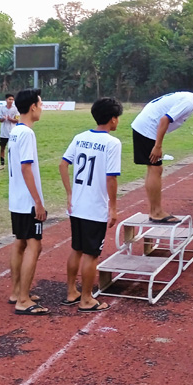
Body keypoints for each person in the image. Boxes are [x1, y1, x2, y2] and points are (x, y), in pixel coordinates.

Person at [59, 97, 122, 313]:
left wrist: (70, 193)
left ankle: (71, 292)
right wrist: (113, 208)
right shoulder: (112, 143)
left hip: (77, 205)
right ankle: (86, 299)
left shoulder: (80, 137)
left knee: (76, 249)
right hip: (95, 208)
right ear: (113, 119)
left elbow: (63, 164)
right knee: (92, 254)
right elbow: (111, 178)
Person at [131, 81, 193, 223]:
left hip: (145, 127)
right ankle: (156, 212)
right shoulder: (189, 101)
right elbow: (164, 120)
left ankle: (155, 210)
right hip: (147, 129)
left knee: (154, 168)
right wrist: (158, 146)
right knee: (155, 169)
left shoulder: (191, 99)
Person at [7, 88, 49, 316]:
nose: (41, 109)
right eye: (40, 104)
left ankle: (17, 292)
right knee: (34, 245)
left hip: (16, 199)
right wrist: (38, 202)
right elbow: (26, 168)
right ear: (32, 107)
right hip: (26, 201)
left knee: (20, 242)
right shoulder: (26, 133)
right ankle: (23, 299)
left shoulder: (15, 131)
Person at [0, 93, 19, 170]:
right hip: (4, 132)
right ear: (6, 100)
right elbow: (0, 120)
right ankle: (2, 163)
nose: (11, 101)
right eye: (9, 99)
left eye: (12, 99)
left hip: (12, 131)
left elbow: (17, 120)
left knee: (13, 148)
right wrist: (3, 118)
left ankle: (12, 163)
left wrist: (10, 119)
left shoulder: (15, 109)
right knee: (2, 148)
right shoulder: (2, 108)